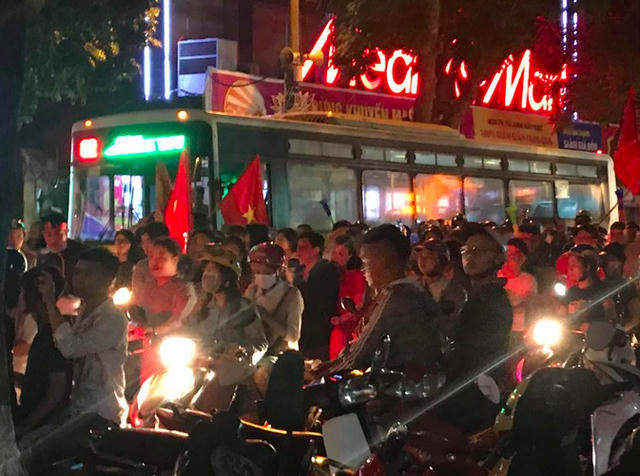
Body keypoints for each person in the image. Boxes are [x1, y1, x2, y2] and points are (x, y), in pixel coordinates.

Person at [21, 248, 129, 472]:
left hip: (100, 414)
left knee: (34, 450)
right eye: (77, 272)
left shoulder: (112, 319)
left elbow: (70, 348)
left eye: (88, 274)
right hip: (77, 408)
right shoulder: (83, 312)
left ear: (107, 279)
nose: (78, 279)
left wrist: (50, 302)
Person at [310, 224, 441, 377]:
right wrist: (334, 363)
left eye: (366, 261)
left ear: (383, 261)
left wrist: (318, 374)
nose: (362, 269)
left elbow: (361, 354)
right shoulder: (412, 290)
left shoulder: (397, 297)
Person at [441, 223, 513, 432]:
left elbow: (478, 350)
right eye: (465, 250)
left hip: (475, 393)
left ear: (498, 258)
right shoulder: (470, 294)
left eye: (478, 251)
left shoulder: (491, 298)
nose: (469, 256)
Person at [14, 267, 72, 438]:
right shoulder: (43, 334)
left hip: (43, 431)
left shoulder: (53, 336)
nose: (19, 297)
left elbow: (56, 391)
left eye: (22, 291)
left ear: (34, 296)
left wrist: (27, 426)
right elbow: (40, 381)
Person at [244, 243, 303, 392]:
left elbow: (293, 335)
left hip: (276, 354)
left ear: (277, 270)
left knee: (261, 375)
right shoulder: (251, 291)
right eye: (255, 272)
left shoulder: (291, 295)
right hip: (251, 350)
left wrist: (265, 315)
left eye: (263, 272)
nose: (259, 276)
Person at [131, 237, 197, 335]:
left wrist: (155, 331)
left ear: (175, 260)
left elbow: (178, 320)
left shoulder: (183, 289)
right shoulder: (148, 286)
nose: (154, 262)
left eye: (161, 258)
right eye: (151, 257)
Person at [296, 231, 340, 360]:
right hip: (302, 331)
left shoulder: (327, 270)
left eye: (303, 247)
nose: (299, 251)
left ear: (316, 250)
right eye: (298, 247)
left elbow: (321, 299)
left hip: (320, 331)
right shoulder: (298, 272)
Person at [415, 239, 467, 336]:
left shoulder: (455, 292)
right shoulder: (413, 288)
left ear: (442, 260)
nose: (422, 259)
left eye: (428, 255)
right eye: (420, 255)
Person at [328, 235, 368, 359]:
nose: (335, 258)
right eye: (334, 253)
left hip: (349, 326)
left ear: (350, 256)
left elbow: (358, 305)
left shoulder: (356, 277)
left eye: (340, 254)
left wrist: (341, 319)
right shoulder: (333, 276)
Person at [37, 212, 85, 291]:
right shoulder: (42, 258)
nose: (53, 240)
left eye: (58, 234)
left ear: (66, 232)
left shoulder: (81, 253)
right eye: (49, 235)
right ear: (43, 234)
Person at [498, 238, 538, 332]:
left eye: (512, 256)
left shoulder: (528, 280)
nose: (506, 260)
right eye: (505, 256)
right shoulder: (494, 277)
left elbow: (530, 302)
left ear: (522, 259)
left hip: (519, 330)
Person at [561, 245, 607, 325]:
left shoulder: (604, 290)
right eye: (569, 265)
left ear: (588, 266)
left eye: (574, 265)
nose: (570, 269)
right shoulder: (571, 292)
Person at [599, 243, 640, 331]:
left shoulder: (628, 286)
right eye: (606, 260)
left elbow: (635, 316)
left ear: (621, 262)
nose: (609, 264)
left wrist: (619, 332)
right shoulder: (598, 284)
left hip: (619, 333)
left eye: (612, 260)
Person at [6, 218, 28, 310]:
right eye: (11, 236)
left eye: (19, 236)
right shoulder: (8, 256)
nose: (15, 240)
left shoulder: (25, 256)